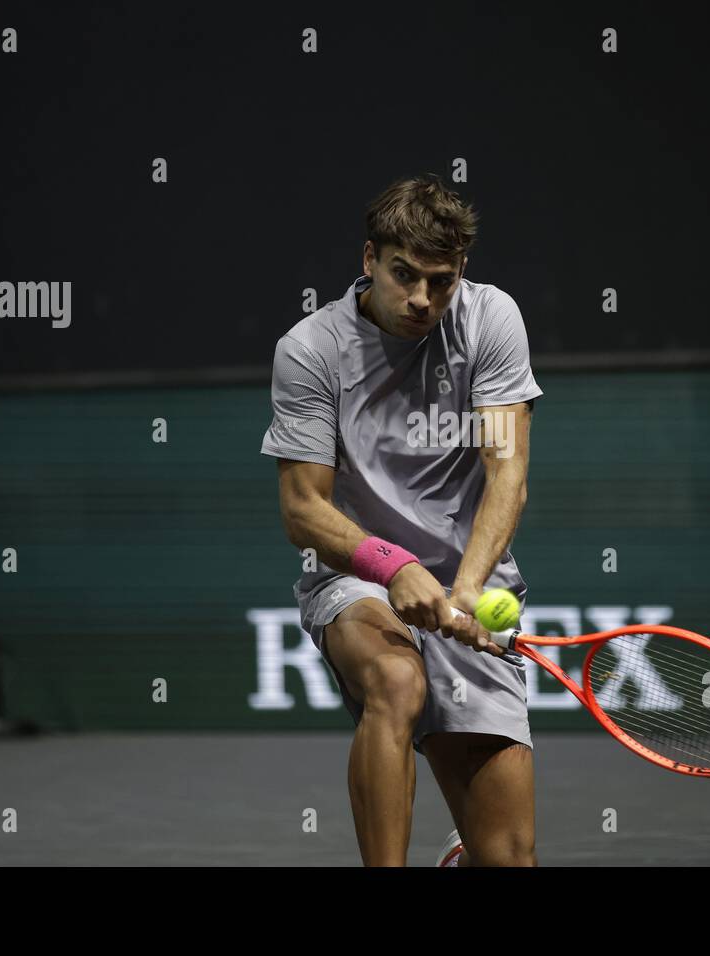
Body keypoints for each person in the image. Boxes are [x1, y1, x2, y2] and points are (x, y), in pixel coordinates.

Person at [259, 174, 542, 866]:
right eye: (403, 275)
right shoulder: (309, 350)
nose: (420, 299)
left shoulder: (492, 320)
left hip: (466, 586)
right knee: (397, 678)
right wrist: (395, 566)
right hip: (357, 580)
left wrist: (468, 588)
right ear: (369, 260)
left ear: (462, 272)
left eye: (440, 282)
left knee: (507, 857)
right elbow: (303, 510)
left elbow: (508, 472)